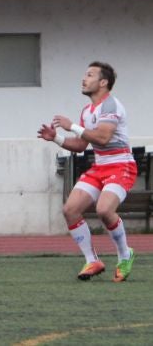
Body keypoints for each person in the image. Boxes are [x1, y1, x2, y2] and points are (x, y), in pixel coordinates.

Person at [37, 61, 136, 282]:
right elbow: (82, 146)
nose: (84, 79)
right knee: (70, 210)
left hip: (121, 166)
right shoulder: (87, 110)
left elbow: (102, 137)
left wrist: (72, 126)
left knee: (103, 210)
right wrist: (57, 138)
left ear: (103, 82)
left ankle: (124, 254)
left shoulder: (110, 106)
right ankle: (92, 260)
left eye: (90, 75)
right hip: (100, 166)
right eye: (85, 74)